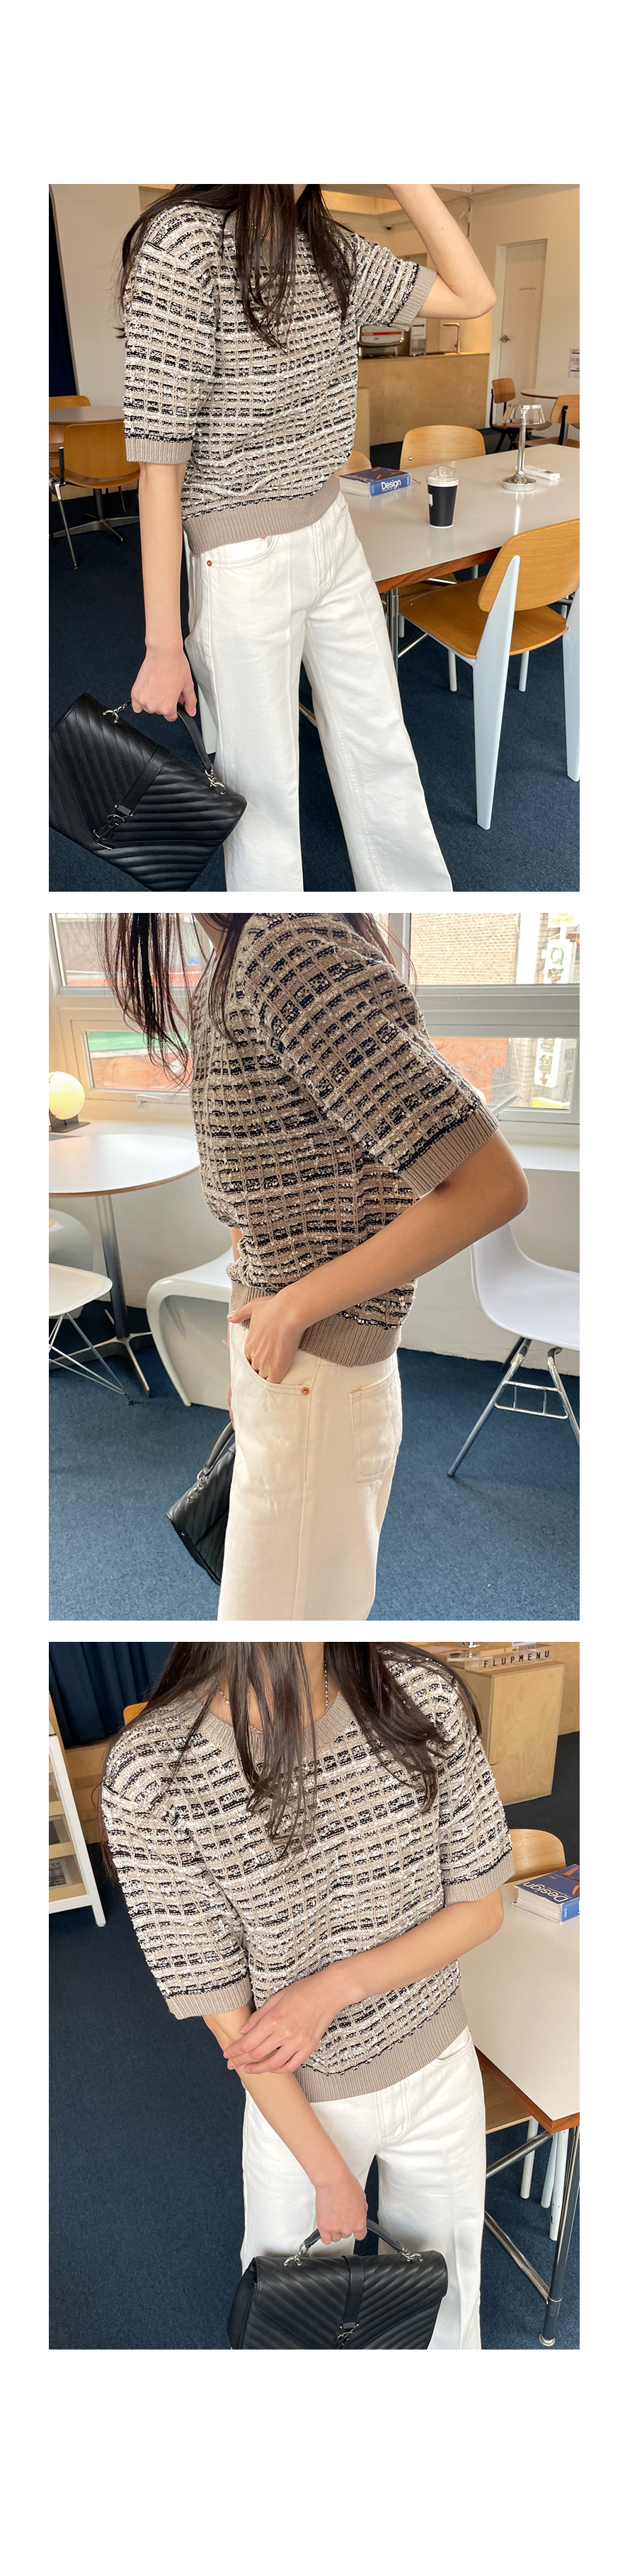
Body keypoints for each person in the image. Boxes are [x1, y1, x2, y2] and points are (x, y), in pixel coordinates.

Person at [101, 909, 529, 1618]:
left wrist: (293, 1309)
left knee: (275, 1640)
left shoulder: (284, 950)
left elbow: (490, 1187)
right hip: (287, 1369)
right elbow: (255, 1207)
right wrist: (248, 1347)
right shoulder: (231, 962)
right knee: (274, 1635)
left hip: (317, 1371)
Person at [99, 1640, 513, 2351]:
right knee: (295, 2329)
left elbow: (482, 1907)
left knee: (451, 2299)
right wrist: (327, 2171)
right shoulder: (155, 1774)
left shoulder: (421, 1694)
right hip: (301, 2099)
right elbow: (232, 2023)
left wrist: (333, 1988)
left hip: (442, 2063)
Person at [120, 183, 496, 895]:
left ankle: (415, 913)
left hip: (333, 529)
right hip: (239, 557)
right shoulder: (186, 243)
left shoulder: (330, 246)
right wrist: (164, 646)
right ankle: (274, 948)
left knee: (381, 743)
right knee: (262, 789)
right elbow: (158, 469)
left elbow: (473, 296)